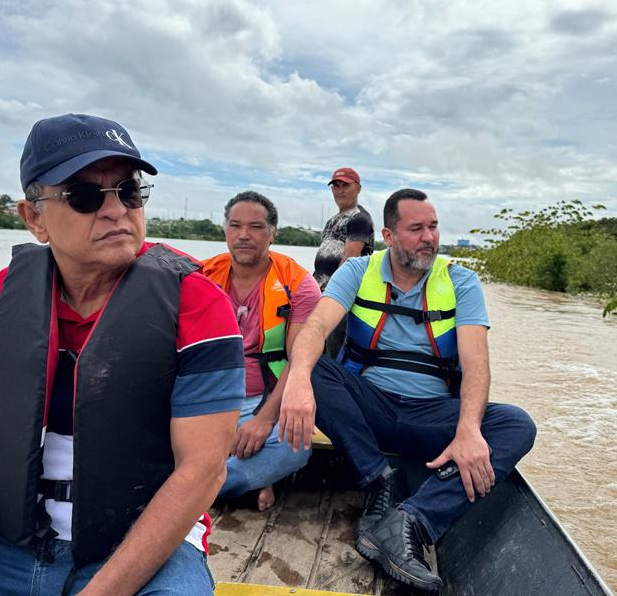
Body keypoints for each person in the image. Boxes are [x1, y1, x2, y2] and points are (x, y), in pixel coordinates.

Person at [0, 114, 245, 596]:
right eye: (83, 196)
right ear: (34, 218)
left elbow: (201, 469)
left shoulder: (198, 305)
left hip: (142, 548)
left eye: (129, 191)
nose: (116, 210)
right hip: (5, 542)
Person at [278, 188, 536, 593]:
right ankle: (380, 479)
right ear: (389, 235)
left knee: (516, 425)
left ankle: (411, 520)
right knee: (310, 366)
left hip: (432, 414)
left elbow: (476, 364)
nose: (429, 237)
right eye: (416, 229)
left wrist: (468, 428)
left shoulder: (461, 281)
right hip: (369, 408)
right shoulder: (357, 271)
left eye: (433, 227)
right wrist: (295, 383)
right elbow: (314, 330)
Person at [202, 191, 320, 511]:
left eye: (255, 227)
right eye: (235, 225)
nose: (243, 235)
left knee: (294, 445)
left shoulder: (298, 284)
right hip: (207, 396)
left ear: (272, 234)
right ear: (224, 230)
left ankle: (204, 489)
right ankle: (246, 481)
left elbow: (299, 362)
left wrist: (264, 420)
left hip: (263, 398)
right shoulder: (200, 276)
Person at [313, 167, 374, 356]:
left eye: (345, 185)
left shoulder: (359, 218)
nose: (340, 190)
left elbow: (350, 258)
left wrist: (331, 293)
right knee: (317, 345)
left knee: (334, 349)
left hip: (341, 295)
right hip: (322, 291)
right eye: (336, 186)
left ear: (358, 188)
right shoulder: (332, 220)